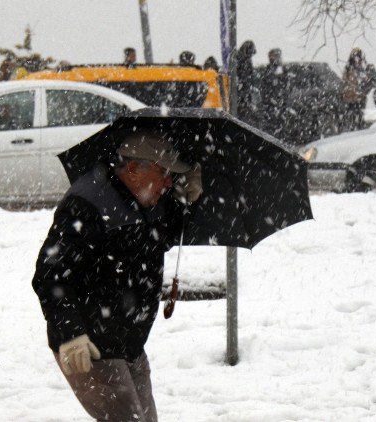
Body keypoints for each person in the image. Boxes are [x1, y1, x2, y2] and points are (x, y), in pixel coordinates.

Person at [32, 131, 202, 422]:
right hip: (91, 346)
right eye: (164, 173)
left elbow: (159, 238)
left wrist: (184, 204)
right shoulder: (87, 205)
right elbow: (51, 275)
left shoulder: (148, 199)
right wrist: (71, 334)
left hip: (129, 342)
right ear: (135, 169)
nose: (169, 182)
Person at [341, 48, 376, 131]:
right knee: (350, 119)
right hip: (349, 99)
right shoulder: (348, 69)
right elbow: (345, 83)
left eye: (358, 57)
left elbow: (374, 82)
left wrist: (363, 89)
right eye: (355, 58)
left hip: (360, 99)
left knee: (359, 118)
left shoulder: (366, 69)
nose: (356, 60)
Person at [259, 48, 289, 138]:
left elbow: (286, 87)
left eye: (273, 56)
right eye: (270, 56)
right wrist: (268, 99)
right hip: (270, 105)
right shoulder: (268, 70)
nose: (271, 58)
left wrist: (281, 99)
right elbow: (263, 87)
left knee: (280, 128)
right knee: (270, 129)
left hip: (280, 106)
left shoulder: (283, 70)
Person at [235, 40, 257, 124]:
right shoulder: (243, 60)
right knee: (242, 115)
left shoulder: (243, 59)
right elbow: (245, 76)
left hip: (243, 92)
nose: (250, 55)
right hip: (241, 92)